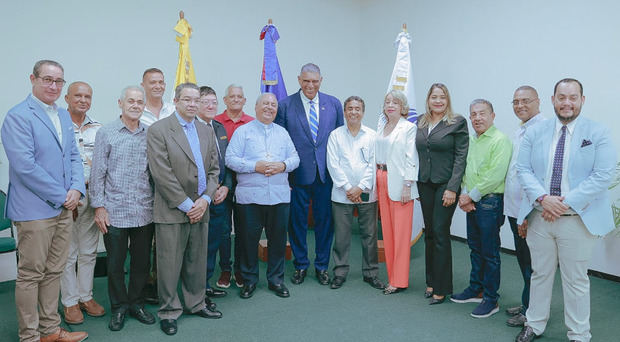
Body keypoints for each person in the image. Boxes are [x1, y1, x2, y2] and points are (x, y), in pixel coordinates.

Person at [515, 79, 617, 342]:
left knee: (576, 279)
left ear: (583, 100)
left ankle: (579, 334)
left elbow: (603, 175)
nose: (567, 103)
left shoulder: (599, 132)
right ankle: (534, 324)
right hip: (540, 215)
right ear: (552, 100)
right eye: (562, 97)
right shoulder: (535, 132)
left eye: (573, 97)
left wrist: (563, 203)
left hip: (577, 218)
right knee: (540, 273)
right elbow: (523, 169)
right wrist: (543, 198)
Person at [1, 59, 88, 342]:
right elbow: (25, 166)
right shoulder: (18, 116)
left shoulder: (62, 115)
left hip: (64, 207)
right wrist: (62, 195)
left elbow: (74, 156)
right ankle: (30, 336)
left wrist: (77, 188)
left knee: (54, 271)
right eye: (48, 79)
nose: (53, 85)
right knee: (31, 275)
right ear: (33, 79)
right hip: (34, 211)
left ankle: (50, 330)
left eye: (58, 81)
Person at [147, 83, 222, 336]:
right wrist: (188, 205)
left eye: (196, 100)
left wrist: (205, 200)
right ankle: (168, 311)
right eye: (186, 99)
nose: (192, 104)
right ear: (176, 100)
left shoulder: (205, 130)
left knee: (196, 261)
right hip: (173, 209)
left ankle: (196, 303)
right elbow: (161, 173)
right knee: (168, 265)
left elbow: (214, 170)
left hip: (202, 207)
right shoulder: (159, 130)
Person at [90, 86, 156, 331]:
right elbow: (98, 173)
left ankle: (136, 304)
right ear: (120, 103)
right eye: (131, 101)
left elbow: (153, 174)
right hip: (114, 211)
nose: (136, 105)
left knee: (141, 263)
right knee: (116, 265)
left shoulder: (150, 134)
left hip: (143, 210)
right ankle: (118, 307)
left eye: (140, 101)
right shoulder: (106, 133)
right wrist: (99, 207)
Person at [275, 63, 344, 286]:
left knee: (325, 222)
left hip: (326, 175)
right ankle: (301, 264)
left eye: (315, 81)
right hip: (297, 175)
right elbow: (280, 142)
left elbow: (340, 139)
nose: (310, 85)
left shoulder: (333, 104)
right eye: (306, 81)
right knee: (297, 223)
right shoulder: (285, 105)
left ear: (321, 81)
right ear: (299, 80)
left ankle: (322, 266)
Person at [226, 92, 300, 299]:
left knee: (277, 241)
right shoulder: (243, 132)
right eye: (265, 104)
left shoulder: (283, 133)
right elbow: (230, 159)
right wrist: (254, 166)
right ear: (256, 107)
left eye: (273, 105)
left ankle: (276, 280)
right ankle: (249, 281)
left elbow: (295, 159)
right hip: (250, 198)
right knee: (248, 241)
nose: (269, 107)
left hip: (279, 197)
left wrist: (283, 165)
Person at [452, 99, 512, 318]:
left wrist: (470, 196)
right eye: (473, 114)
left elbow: (495, 175)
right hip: (472, 201)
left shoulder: (500, 140)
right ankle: (475, 289)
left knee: (490, 253)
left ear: (492, 116)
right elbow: (467, 170)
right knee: (475, 248)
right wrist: (465, 195)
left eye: (482, 113)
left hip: (489, 202)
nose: (477, 118)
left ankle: (490, 298)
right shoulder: (471, 140)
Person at [415, 83, 468, 304]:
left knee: (440, 232)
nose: (438, 101)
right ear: (428, 99)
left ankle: (442, 287)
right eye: (434, 97)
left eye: (442, 97)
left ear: (448, 100)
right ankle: (431, 281)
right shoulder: (420, 121)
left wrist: (452, 188)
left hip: (445, 185)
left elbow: (461, 157)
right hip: (424, 183)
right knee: (429, 233)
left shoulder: (457, 122)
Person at [326, 96, 385, 290]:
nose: (353, 112)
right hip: (342, 194)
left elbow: (373, 164)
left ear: (363, 112)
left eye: (357, 109)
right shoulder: (335, 135)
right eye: (350, 108)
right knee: (342, 236)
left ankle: (371, 273)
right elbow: (333, 165)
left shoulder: (372, 135)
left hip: (366, 192)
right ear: (344, 112)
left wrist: (360, 187)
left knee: (369, 236)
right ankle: (340, 272)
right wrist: (347, 188)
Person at [60, 81, 105, 325]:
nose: (83, 100)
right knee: (68, 254)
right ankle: (70, 302)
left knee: (88, 251)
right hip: (67, 199)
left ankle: (85, 297)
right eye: (78, 95)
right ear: (67, 98)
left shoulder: (98, 128)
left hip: (92, 196)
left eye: (88, 96)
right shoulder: (57, 125)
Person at [503, 86, 546, 327]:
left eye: (525, 101)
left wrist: (526, 214)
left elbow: (538, 177)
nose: (520, 106)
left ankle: (533, 313)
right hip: (515, 208)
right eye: (516, 101)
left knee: (533, 264)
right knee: (524, 260)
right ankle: (529, 303)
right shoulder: (522, 129)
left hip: (528, 211)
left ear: (538, 102)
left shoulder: (542, 130)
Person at [375, 90, 419, 295]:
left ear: (403, 107)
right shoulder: (381, 125)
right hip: (381, 178)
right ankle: (392, 275)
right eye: (387, 101)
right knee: (388, 233)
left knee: (401, 235)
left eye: (395, 102)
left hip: (400, 183)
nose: (390, 104)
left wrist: (408, 185)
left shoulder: (408, 128)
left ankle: (399, 280)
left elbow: (412, 158)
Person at [140, 67, 176, 304]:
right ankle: (144, 285)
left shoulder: (174, 110)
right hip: (142, 183)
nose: (157, 86)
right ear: (143, 85)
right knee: (144, 237)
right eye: (152, 82)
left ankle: (163, 282)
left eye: (161, 82)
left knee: (166, 238)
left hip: (170, 183)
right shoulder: (135, 110)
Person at [213, 84, 254, 289]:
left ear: (245, 101)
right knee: (223, 229)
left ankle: (239, 268)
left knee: (243, 228)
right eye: (232, 96)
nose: (236, 99)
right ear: (225, 100)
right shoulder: (215, 122)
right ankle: (225, 269)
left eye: (240, 96)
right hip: (221, 185)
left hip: (246, 183)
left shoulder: (252, 124)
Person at [197, 86, 232, 302]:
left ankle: (206, 285)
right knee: (198, 246)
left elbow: (225, 163)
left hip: (220, 195)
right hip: (200, 197)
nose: (211, 106)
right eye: (205, 102)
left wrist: (226, 186)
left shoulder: (219, 128)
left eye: (214, 102)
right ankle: (196, 290)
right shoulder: (191, 129)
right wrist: (209, 191)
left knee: (213, 243)